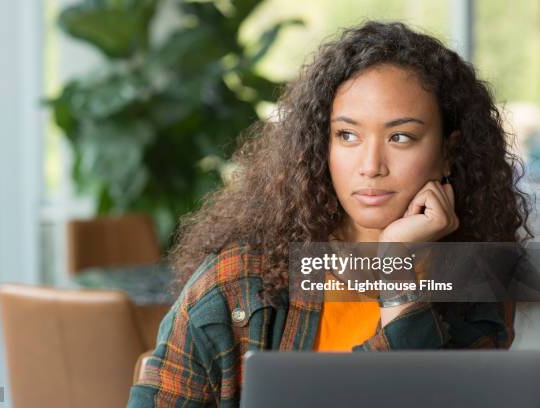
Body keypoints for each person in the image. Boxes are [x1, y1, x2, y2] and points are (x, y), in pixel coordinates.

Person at [127, 20, 532, 407]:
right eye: (348, 135)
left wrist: (397, 273)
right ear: (322, 146)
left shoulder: (469, 283)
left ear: (447, 152)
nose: (371, 165)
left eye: (401, 137)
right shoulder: (238, 281)